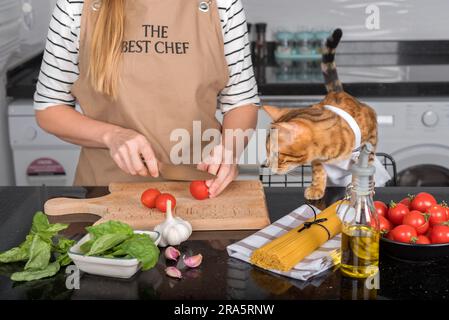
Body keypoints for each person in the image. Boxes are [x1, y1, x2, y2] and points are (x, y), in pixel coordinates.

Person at [34, 0, 259, 197]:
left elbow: (241, 102)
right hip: (105, 192)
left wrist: (230, 149)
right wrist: (112, 136)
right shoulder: (75, 6)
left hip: (203, 188)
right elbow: (50, 107)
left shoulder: (222, 4)